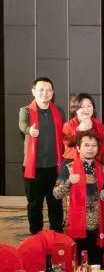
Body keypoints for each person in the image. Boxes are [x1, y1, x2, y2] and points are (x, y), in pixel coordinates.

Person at [21, 77, 66, 234]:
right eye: (41, 89)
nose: (45, 93)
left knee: (56, 203)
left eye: (49, 90)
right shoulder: (26, 110)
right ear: (33, 91)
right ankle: (36, 236)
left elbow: (66, 133)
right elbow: (22, 124)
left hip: (55, 167)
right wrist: (30, 130)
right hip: (34, 167)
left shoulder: (59, 111)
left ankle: (57, 236)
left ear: (53, 93)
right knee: (35, 204)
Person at [53, 131, 104, 264]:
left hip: (98, 225)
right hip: (76, 224)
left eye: (94, 145)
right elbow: (56, 194)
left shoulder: (103, 170)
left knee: (96, 264)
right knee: (76, 264)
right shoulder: (68, 168)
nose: (90, 149)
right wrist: (69, 182)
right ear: (78, 148)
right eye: (86, 145)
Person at [62, 93, 104, 164]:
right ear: (75, 109)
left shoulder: (98, 124)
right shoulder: (68, 125)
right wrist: (78, 130)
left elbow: (103, 146)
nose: (86, 110)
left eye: (89, 106)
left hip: (94, 162)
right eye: (82, 107)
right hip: (73, 162)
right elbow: (68, 143)